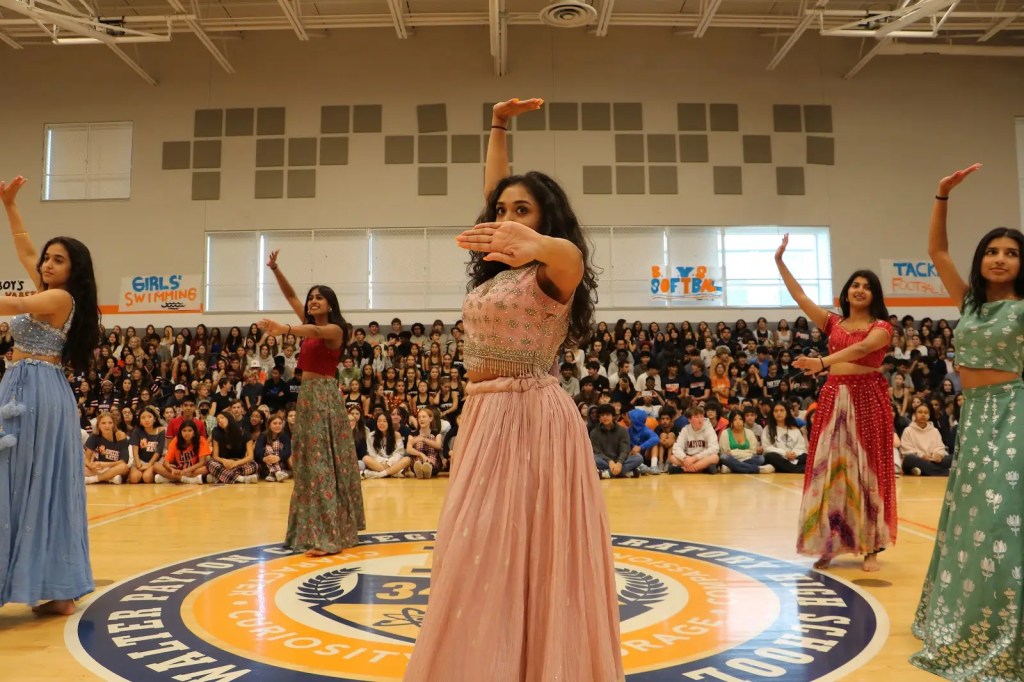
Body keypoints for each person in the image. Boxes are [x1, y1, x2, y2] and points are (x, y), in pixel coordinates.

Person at [405, 98, 624, 681]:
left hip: (531, 416)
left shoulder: (555, 270)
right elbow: (495, 195)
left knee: (517, 552)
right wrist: (498, 126)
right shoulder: (501, 269)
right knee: (477, 553)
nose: (505, 218)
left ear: (546, 220)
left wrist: (538, 242)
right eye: (500, 210)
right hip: (483, 417)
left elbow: (571, 252)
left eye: (521, 211)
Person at [911, 163, 1024, 680]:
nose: (999, 259)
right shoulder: (969, 303)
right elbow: (937, 251)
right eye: (992, 251)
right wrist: (942, 195)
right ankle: (970, 615)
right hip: (975, 418)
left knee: (1002, 522)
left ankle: (1005, 626)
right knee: (972, 520)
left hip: (1015, 413)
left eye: (1012, 252)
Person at [0, 175, 99, 616]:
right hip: (25, 386)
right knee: (32, 482)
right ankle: (57, 590)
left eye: (58, 260)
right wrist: (10, 205)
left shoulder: (60, 299)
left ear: (72, 269)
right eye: (47, 258)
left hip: (37, 391)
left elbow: (17, 308)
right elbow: (24, 250)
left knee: (25, 481)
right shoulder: (48, 290)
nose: (46, 264)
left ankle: (48, 583)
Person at [775, 234, 896, 572]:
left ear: (874, 295)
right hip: (833, 397)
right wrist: (780, 262)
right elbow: (800, 297)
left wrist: (822, 363)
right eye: (854, 285)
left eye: (866, 286)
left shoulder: (882, 327)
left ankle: (872, 545)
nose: (859, 290)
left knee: (867, 471)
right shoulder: (832, 322)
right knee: (830, 472)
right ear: (846, 293)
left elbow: (860, 351)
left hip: (867, 398)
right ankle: (830, 542)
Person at [258, 250, 364, 557]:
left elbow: (316, 331)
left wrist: (284, 329)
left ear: (330, 303)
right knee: (309, 465)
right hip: (307, 397)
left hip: (325, 397)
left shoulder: (336, 329)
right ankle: (311, 532)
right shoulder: (308, 320)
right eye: (311, 298)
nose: (312, 301)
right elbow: (292, 295)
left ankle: (328, 536)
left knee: (322, 465)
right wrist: (275, 269)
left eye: (319, 298)